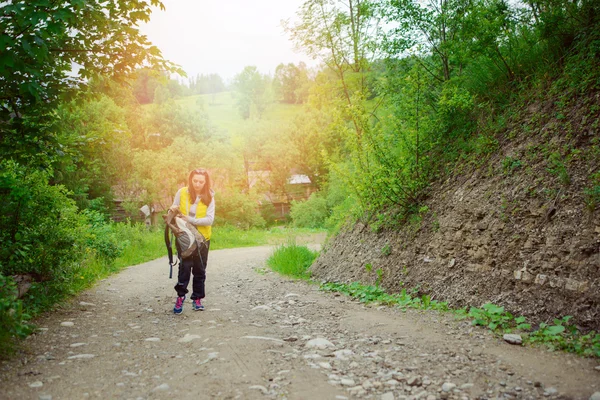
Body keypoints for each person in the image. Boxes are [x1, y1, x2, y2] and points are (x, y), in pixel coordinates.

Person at [170, 168, 215, 314]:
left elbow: (210, 220)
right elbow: (173, 209)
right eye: (195, 180)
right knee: (184, 268)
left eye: (201, 181)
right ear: (191, 180)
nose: (197, 184)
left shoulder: (210, 196)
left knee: (199, 270)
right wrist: (172, 209)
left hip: (202, 238)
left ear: (205, 182)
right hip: (184, 237)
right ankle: (180, 297)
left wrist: (190, 219)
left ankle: (197, 299)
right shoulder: (181, 192)